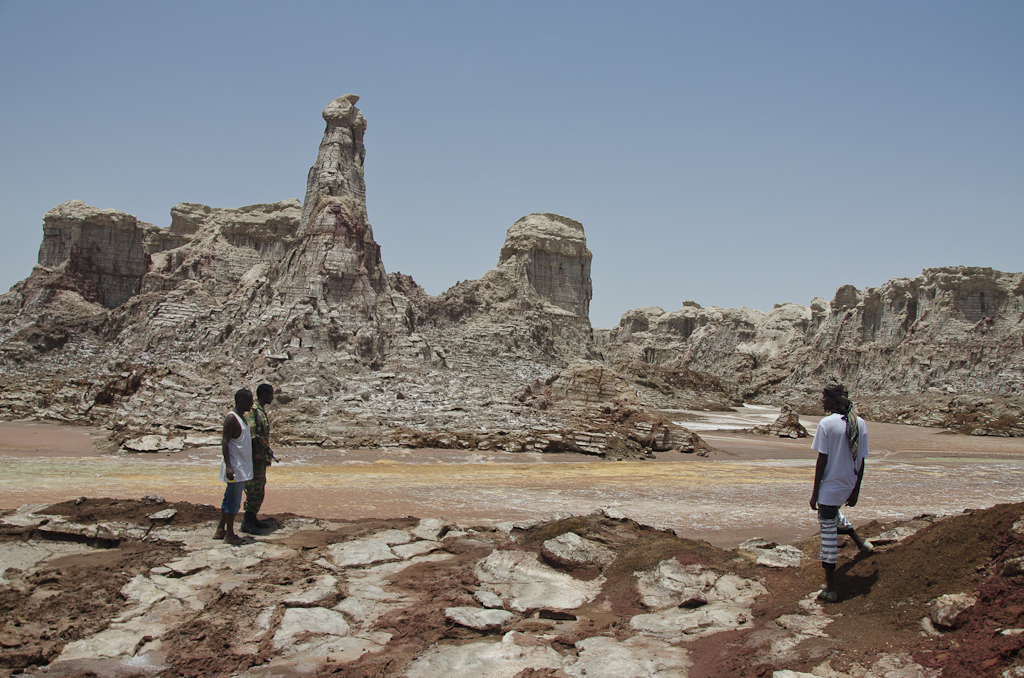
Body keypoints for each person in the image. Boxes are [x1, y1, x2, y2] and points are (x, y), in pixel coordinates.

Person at [809, 378, 874, 602]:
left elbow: (822, 460)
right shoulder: (860, 423)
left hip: (830, 487)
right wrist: (856, 490)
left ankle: (831, 589)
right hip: (848, 484)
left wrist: (815, 493)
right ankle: (861, 543)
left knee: (827, 534)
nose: (822, 399)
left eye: (825, 395)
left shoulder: (826, 424)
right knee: (832, 514)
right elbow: (862, 460)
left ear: (835, 400)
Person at [214, 388, 254, 546]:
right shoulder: (232, 418)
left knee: (228, 499)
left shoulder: (242, 418)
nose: (252, 403)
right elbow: (225, 442)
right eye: (249, 400)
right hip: (235, 467)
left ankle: (220, 529)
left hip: (241, 466)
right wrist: (229, 466)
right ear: (241, 401)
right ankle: (229, 534)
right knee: (233, 501)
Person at [241, 383, 276, 534]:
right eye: (270, 394)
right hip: (254, 458)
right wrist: (257, 454)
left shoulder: (260, 411)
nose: (272, 397)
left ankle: (252, 517)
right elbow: (253, 435)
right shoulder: (253, 411)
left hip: (260, 456)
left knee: (260, 487)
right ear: (263, 394)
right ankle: (247, 521)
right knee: (254, 488)